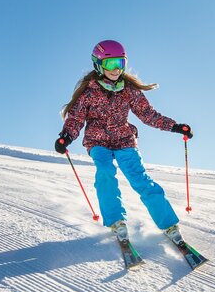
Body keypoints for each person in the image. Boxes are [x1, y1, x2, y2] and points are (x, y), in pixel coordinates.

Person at [55, 39, 194, 251]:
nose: (116, 69)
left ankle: (168, 224)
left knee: (140, 179)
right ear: (98, 64)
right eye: (110, 64)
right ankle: (116, 221)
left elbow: (148, 114)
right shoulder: (89, 92)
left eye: (120, 63)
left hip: (124, 139)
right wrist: (66, 137)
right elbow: (75, 119)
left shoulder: (128, 89)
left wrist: (175, 127)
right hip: (97, 141)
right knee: (105, 174)